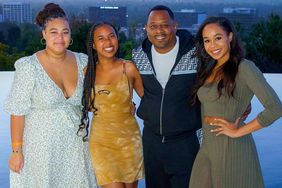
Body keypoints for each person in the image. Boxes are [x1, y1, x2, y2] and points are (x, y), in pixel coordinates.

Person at [4, 3, 97, 187]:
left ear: (70, 35)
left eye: (65, 32)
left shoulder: (83, 62)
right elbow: (17, 111)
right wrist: (16, 151)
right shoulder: (29, 67)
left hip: (76, 148)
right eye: (54, 32)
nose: (60, 38)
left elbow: (102, 91)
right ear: (44, 34)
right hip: (41, 150)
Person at [189, 16, 282, 188]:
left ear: (230, 37)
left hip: (232, 148)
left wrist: (238, 132)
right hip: (208, 147)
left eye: (218, 38)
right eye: (207, 40)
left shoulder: (245, 67)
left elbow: (275, 108)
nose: (213, 45)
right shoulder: (208, 68)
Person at [132, 5, 201, 188]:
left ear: (175, 25)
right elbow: (128, 85)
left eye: (164, 25)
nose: (159, 31)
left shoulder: (196, 53)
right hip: (152, 143)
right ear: (146, 29)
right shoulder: (138, 56)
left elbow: (221, 74)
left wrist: (239, 99)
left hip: (185, 142)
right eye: (153, 26)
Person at [78, 22, 144, 188]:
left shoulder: (128, 68)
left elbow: (150, 100)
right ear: (93, 45)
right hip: (102, 142)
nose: (108, 42)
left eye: (111, 36)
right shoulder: (87, 72)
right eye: (101, 38)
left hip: (130, 141)